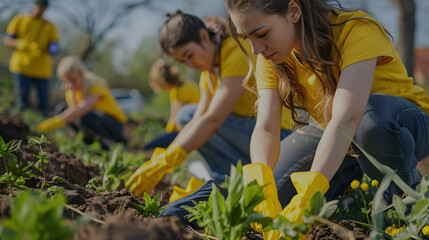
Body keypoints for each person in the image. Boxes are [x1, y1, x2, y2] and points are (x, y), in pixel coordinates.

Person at [223, 0, 429, 237]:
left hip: (401, 126)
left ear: (293, 10)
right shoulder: (271, 55)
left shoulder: (357, 31)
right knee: (275, 200)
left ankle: (411, 210)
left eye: (261, 34)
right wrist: (260, 179)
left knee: (370, 118)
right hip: (339, 133)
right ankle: (351, 198)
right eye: (247, 38)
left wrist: (311, 191)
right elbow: (267, 126)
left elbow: (347, 119)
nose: (256, 48)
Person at [125, 11, 296, 198]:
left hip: (280, 138)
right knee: (188, 118)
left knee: (190, 117)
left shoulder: (234, 51)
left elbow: (213, 119)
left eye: (189, 55)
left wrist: (166, 163)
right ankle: (231, 178)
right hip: (250, 138)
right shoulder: (208, 74)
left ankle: (232, 177)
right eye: (182, 61)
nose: (189, 64)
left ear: (204, 36)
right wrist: (160, 160)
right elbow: (197, 120)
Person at [37, 56, 128, 146]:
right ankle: (88, 141)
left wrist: (57, 121)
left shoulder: (96, 84)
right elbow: (73, 110)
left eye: (74, 80)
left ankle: (111, 142)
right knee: (62, 109)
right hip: (96, 119)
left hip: (113, 123)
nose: (71, 85)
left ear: (81, 74)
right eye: (68, 81)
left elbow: (83, 108)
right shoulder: (71, 92)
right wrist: (72, 93)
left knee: (87, 116)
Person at [3, 0, 59, 116]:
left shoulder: (49, 26)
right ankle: (20, 125)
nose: (41, 10)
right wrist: (21, 44)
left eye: (44, 8)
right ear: (35, 5)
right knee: (22, 102)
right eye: (40, 6)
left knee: (44, 105)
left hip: (42, 70)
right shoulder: (20, 19)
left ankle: (45, 130)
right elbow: (7, 40)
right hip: (22, 66)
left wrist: (53, 48)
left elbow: (55, 45)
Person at [143, 59, 200, 150]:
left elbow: (175, 120)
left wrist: (166, 134)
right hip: (192, 127)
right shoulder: (185, 85)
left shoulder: (179, 91)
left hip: (188, 130)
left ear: (164, 81)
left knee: (148, 147)